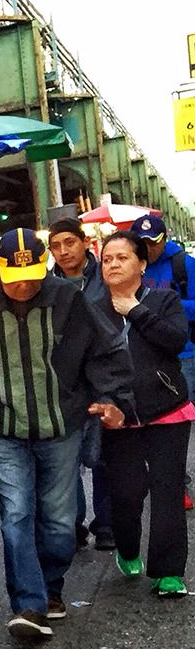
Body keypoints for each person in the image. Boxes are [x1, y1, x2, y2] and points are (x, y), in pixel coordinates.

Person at [0, 228, 134, 642]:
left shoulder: (68, 299)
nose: (24, 285)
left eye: (33, 276)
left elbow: (106, 351)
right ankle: (28, 604)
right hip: (0, 429)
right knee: (16, 514)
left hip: (61, 426)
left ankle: (50, 586)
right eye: (14, 278)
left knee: (60, 521)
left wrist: (113, 400)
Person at [94, 231, 193, 597]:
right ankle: (127, 547)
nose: (113, 264)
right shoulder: (92, 310)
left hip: (167, 410)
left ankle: (169, 573)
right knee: (127, 493)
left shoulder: (164, 300)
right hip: (118, 418)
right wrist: (103, 404)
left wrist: (135, 311)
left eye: (122, 257)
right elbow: (84, 363)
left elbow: (175, 340)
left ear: (141, 264)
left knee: (167, 490)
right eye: (107, 259)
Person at [47, 217, 112, 551]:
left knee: (104, 456)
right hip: (63, 383)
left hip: (102, 377)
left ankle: (107, 524)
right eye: (55, 246)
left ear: (85, 242)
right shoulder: (46, 285)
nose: (63, 251)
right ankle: (72, 525)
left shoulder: (106, 276)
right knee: (65, 459)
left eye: (69, 242)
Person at [131, 212, 195, 511]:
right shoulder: (131, 266)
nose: (148, 248)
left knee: (176, 423)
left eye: (153, 242)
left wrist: (165, 305)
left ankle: (177, 482)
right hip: (143, 355)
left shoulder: (184, 264)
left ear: (164, 239)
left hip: (183, 354)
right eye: (142, 243)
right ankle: (168, 481)